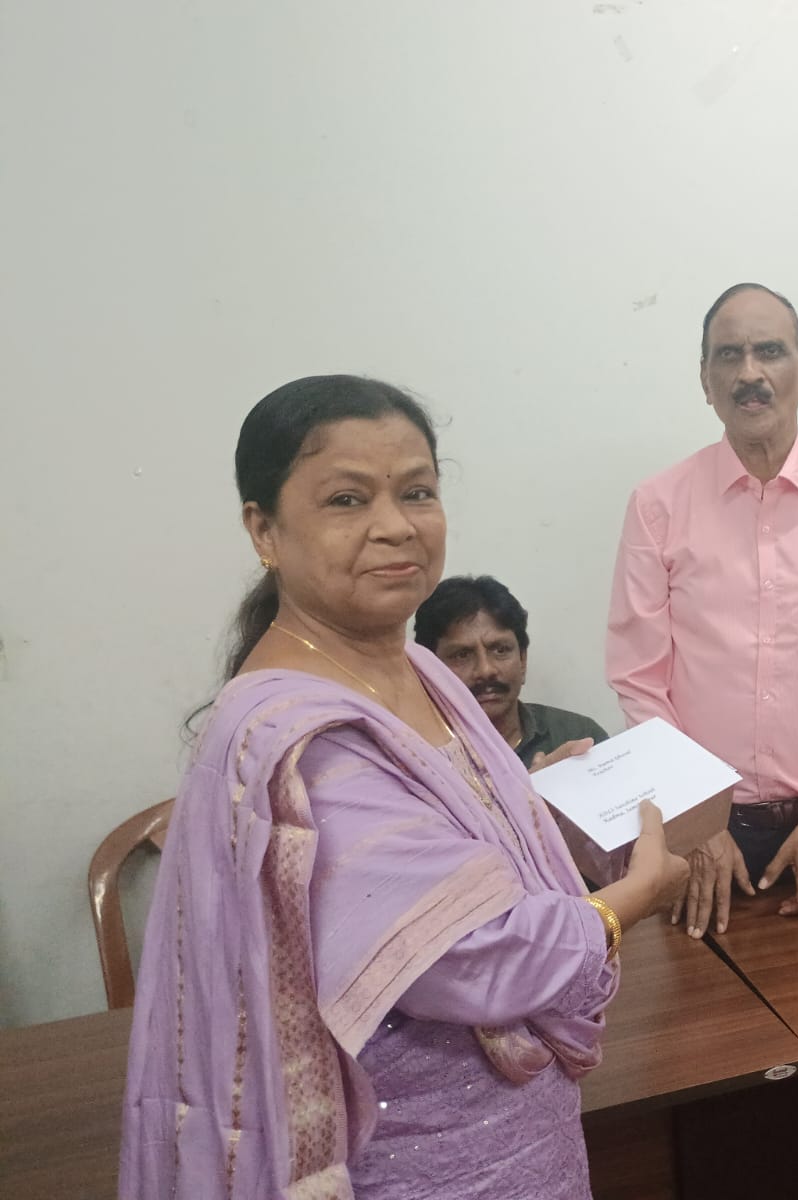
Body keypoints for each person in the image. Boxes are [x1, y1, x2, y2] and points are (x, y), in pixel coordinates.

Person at [120, 376, 687, 1200]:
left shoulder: (421, 667)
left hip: (524, 1133)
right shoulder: (301, 741)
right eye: (347, 499)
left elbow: (445, 853)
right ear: (264, 529)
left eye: (417, 491)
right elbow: (464, 956)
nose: (396, 525)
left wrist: (539, 816)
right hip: (419, 1159)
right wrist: (624, 904)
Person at [607, 283, 798, 938]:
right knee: (706, 1002)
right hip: (705, 840)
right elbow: (639, 680)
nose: (749, 373)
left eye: (770, 352)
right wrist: (696, 818)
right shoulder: (658, 506)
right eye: (729, 355)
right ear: (705, 379)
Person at [415, 574, 610, 768]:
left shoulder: (577, 736)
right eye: (462, 655)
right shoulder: (417, 759)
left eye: (500, 650)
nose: (486, 670)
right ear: (428, 668)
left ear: (523, 660)